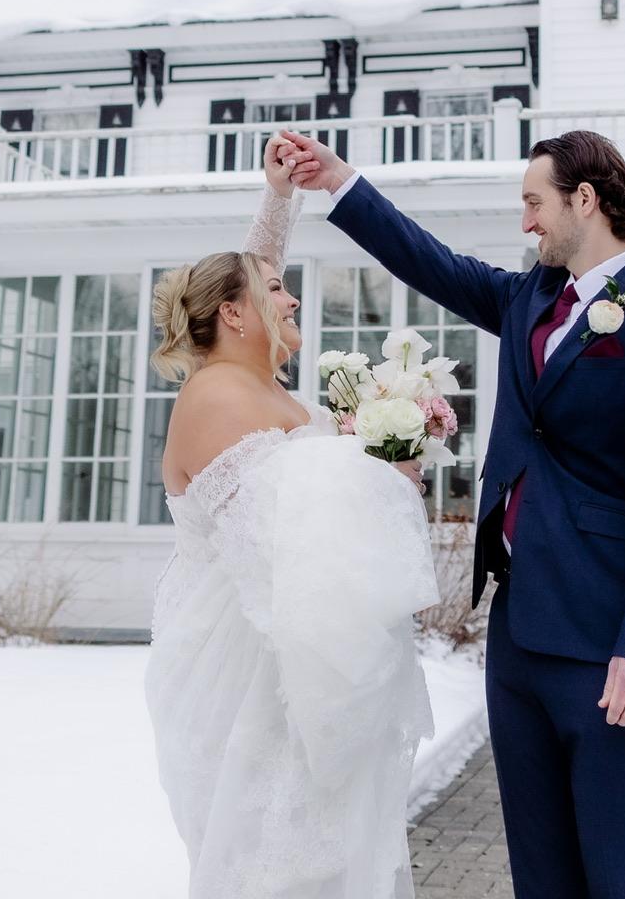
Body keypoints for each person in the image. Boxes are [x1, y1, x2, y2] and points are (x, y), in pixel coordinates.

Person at [274, 127, 625, 899]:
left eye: (534, 203)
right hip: (518, 630)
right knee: (541, 874)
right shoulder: (528, 301)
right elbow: (429, 261)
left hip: (612, 638)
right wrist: (339, 181)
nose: (525, 222)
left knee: (623, 872)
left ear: (586, 200)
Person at [145, 153, 437, 899]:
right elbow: (282, 536)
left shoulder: (255, 380)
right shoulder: (220, 395)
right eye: (277, 290)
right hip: (255, 672)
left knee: (331, 857)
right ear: (232, 315)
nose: (293, 297)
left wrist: (278, 198)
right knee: (282, 865)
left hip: (298, 650)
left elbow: (251, 272)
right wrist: (387, 477)